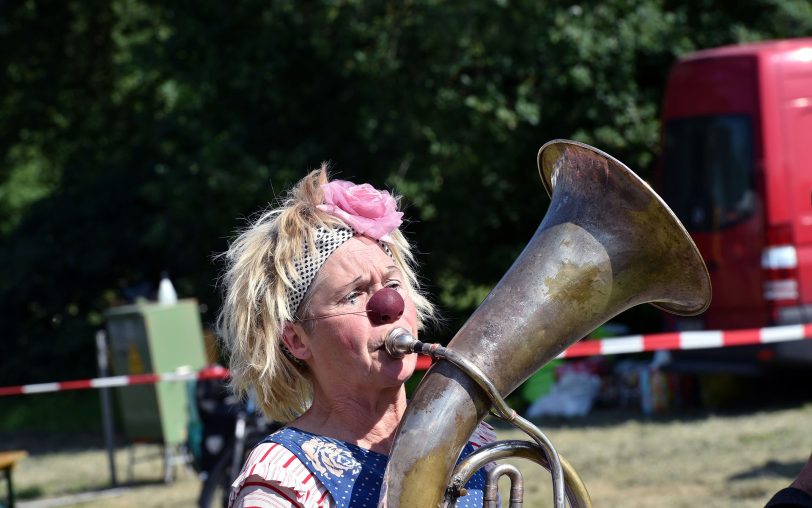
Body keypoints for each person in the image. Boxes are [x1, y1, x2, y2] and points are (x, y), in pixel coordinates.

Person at [217, 166, 495, 508]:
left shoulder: (469, 439)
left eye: (393, 285)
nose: (388, 305)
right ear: (296, 340)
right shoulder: (281, 482)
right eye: (354, 294)